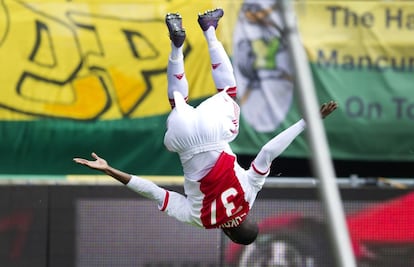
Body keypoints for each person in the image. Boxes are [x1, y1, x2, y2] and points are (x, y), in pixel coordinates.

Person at [73, 8, 338, 245]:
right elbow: (155, 193)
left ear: (248, 218)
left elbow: (268, 151)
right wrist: (109, 170)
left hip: (214, 133)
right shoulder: (199, 219)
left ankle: (209, 29)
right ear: (229, 234)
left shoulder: (247, 196)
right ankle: (176, 48)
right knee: (178, 105)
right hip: (184, 139)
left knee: (228, 90)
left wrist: (308, 122)